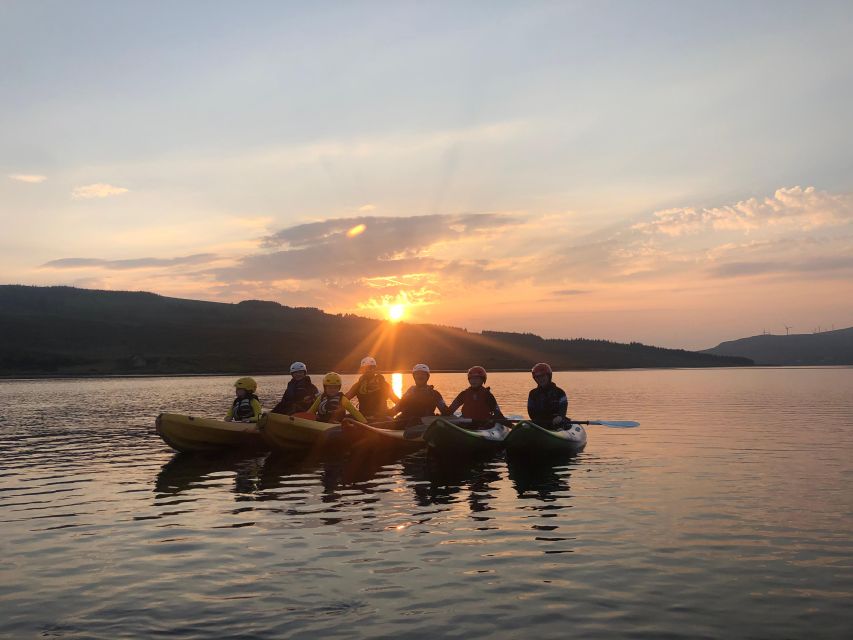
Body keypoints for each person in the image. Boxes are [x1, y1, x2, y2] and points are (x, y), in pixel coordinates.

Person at [527, 362, 571, 429]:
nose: (540, 379)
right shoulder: (532, 394)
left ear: (549, 376)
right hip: (540, 423)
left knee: (562, 424)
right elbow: (531, 412)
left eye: (543, 376)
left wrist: (560, 417)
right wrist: (537, 421)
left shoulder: (560, 392)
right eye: (537, 377)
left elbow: (563, 407)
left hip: (557, 422)